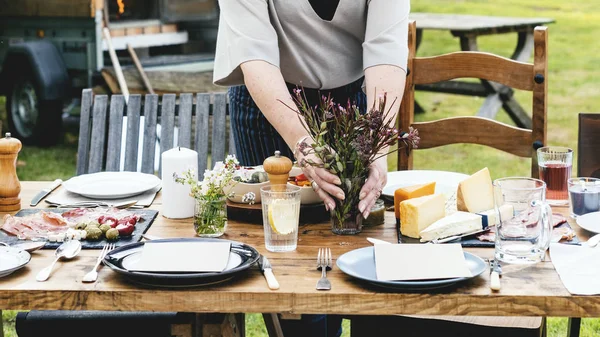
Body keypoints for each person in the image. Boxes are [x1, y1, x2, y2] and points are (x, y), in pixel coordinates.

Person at [213, 1, 409, 336]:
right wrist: (304, 146)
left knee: (348, 240)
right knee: (284, 252)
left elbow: (385, 48)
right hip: (269, 101)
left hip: (350, 103)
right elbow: (255, 55)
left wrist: (376, 143)